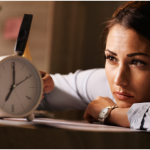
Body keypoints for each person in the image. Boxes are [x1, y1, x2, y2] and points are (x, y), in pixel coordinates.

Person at [39, 0, 150, 131]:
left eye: (137, 62)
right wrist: (28, 79)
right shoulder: (103, 83)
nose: (118, 80)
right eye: (112, 58)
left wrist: (110, 113)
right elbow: (27, 95)